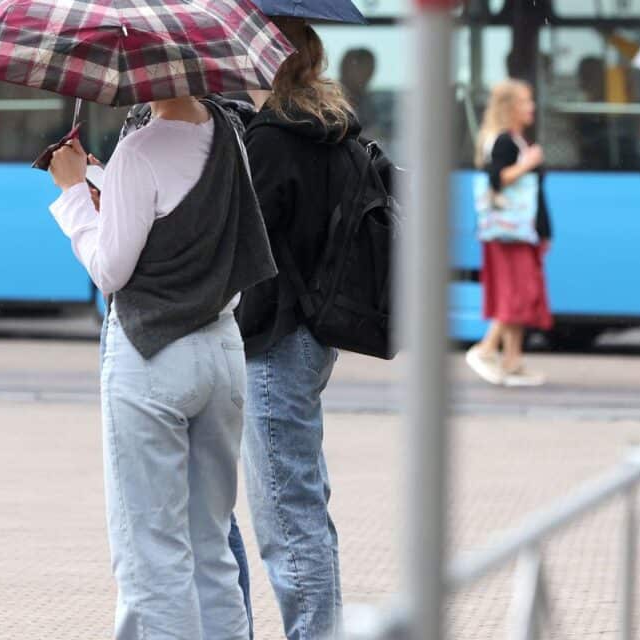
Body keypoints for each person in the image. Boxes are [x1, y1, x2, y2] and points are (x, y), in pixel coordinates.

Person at [45, 93, 276, 639]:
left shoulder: (139, 151)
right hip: (222, 352)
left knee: (152, 557)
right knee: (210, 551)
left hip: (152, 357)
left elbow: (110, 270)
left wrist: (75, 192)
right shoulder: (229, 136)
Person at [234, 17, 363, 639]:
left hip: (274, 340)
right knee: (306, 505)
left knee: (286, 516)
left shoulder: (270, 138)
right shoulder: (332, 128)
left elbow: (247, 250)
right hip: (315, 334)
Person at [464, 79, 552, 387]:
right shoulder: (504, 142)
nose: (532, 108)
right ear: (510, 107)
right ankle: (486, 349)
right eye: (526, 101)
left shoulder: (516, 139)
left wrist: (545, 231)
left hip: (521, 232)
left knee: (523, 294)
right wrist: (528, 164)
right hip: (509, 233)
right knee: (519, 293)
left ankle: (512, 360)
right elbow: (497, 180)